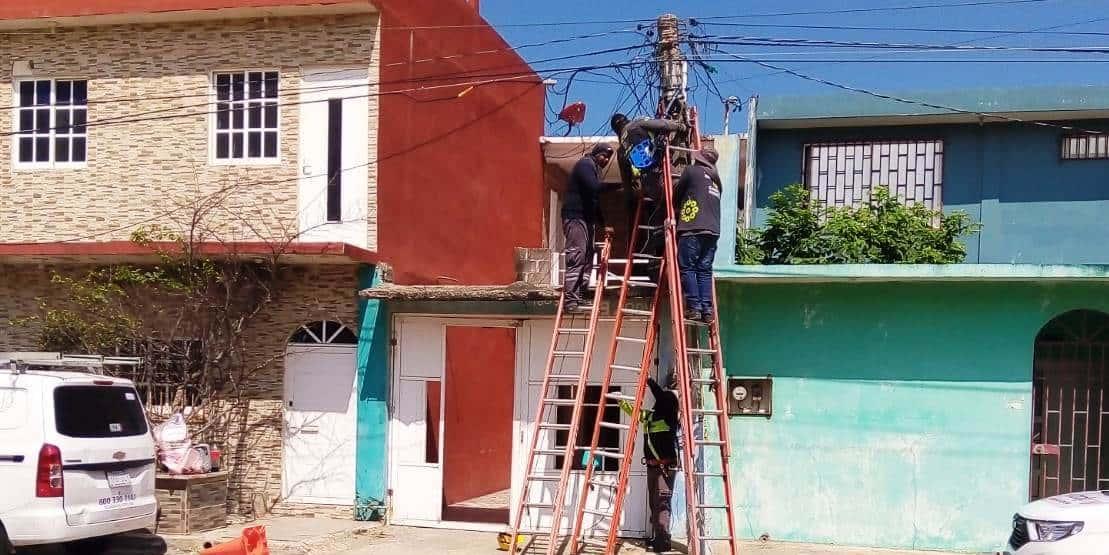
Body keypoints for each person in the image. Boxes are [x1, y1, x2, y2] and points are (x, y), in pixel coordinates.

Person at [610, 113, 687, 267]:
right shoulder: (637, 124)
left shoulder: (621, 151)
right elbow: (664, 125)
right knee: (683, 201)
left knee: (663, 217)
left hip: (651, 187)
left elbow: (627, 185)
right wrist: (681, 126)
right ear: (626, 120)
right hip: (663, 175)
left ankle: (660, 258)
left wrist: (632, 199)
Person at [561, 143, 615, 312]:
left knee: (588, 257)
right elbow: (594, 188)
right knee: (577, 255)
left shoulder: (595, 170)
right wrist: (620, 186)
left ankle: (581, 296)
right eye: (603, 156)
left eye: (608, 158)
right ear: (596, 154)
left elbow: (594, 201)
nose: (605, 160)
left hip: (587, 219)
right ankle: (570, 301)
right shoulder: (585, 165)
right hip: (575, 216)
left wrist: (604, 223)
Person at [674, 147, 722, 325]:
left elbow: (676, 196)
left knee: (688, 267)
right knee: (704, 270)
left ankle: (694, 308)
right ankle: (707, 310)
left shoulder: (691, 171)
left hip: (693, 226)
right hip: (713, 231)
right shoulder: (717, 181)